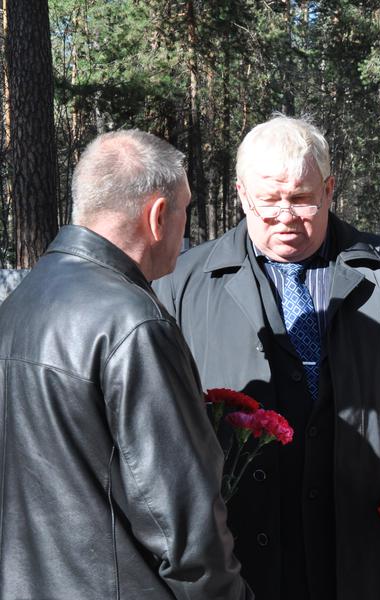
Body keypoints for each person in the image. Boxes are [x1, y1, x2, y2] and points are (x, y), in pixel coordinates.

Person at [154, 115, 380, 600]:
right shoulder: (182, 285)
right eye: (268, 200)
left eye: (302, 198)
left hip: (363, 543)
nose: (285, 216)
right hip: (240, 554)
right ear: (241, 194)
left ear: (329, 189)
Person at [0, 130, 252, 599]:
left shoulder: (16, 307)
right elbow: (181, 519)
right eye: (185, 210)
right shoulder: (134, 324)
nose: (186, 227)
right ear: (158, 216)